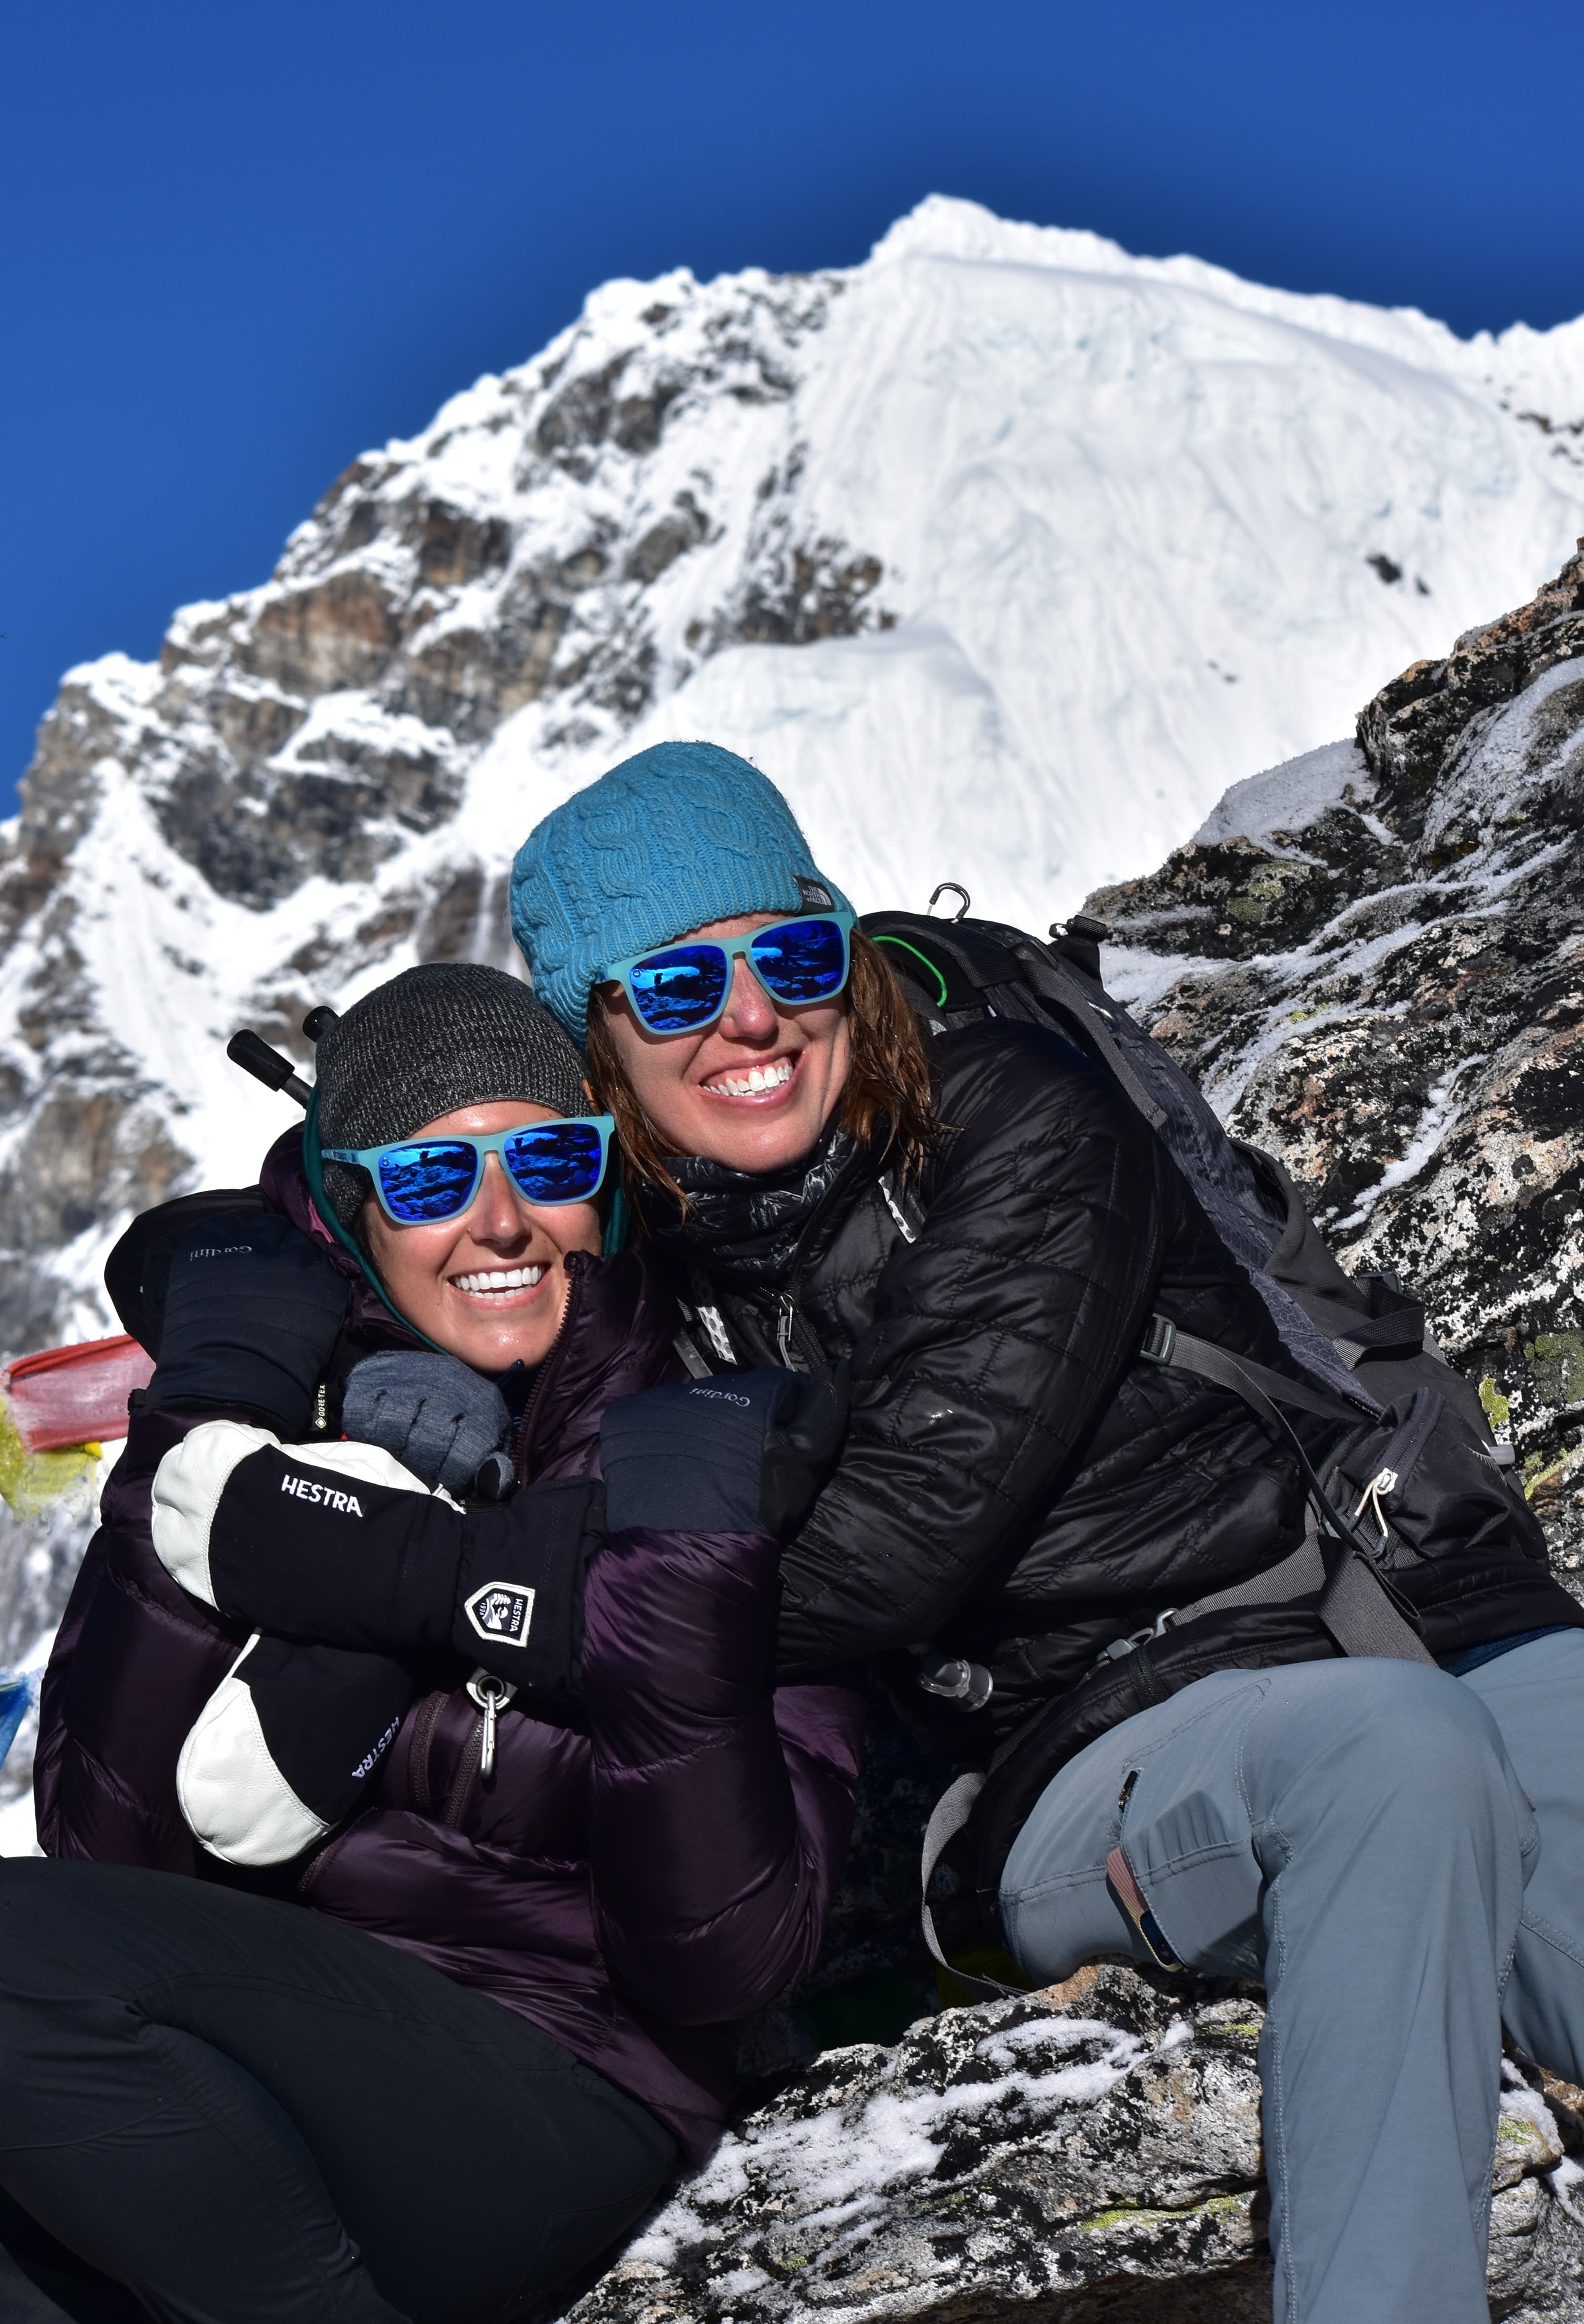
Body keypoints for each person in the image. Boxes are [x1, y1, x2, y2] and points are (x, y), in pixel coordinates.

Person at [503, 738, 1584, 2324]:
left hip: (1412, 1603)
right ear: (590, 1042)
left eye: (792, 956)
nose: (750, 1019)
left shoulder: (1013, 1117)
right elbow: (388, 1197)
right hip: (1096, 1746)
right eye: (672, 989)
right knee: (1395, 1761)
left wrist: (578, 1591)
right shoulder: (608, 1270)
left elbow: (895, 1539)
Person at [0, 964, 862, 2324]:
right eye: (431, 1181)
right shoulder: (283, 1428)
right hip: (227, 2052)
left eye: (548, 1160)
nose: (500, 1222)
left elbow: (723, 1962)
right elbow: (101, 1848)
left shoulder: (705, 1435)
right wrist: (211, 1434)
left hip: (554, 2086)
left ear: (603, 1178)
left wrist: (670, 1581)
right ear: (359, 1214)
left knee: (0, 1960)